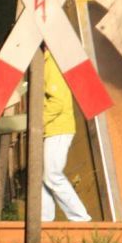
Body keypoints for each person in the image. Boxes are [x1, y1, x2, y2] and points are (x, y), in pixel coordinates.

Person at [42, 49, 92, 222]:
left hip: (59, 128)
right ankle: (44, 219)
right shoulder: (46, 63)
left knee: (52, 175)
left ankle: (80, 217)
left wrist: (37, 121)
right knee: (44, 175)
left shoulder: (51, 64)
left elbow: (58, 102)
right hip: (52, 128)